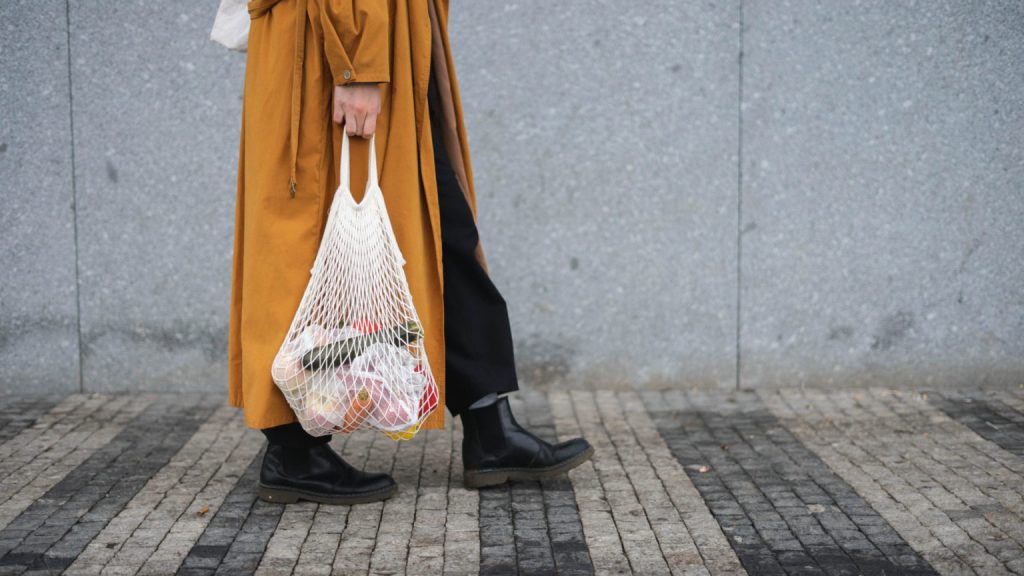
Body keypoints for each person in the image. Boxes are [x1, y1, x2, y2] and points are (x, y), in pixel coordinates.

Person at [227, 0, 593, 505]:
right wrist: (357, 64)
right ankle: (292, 450)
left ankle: (489, 424)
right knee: (304, 243)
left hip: (384, 40)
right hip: (336, 44)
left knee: (440, 225)